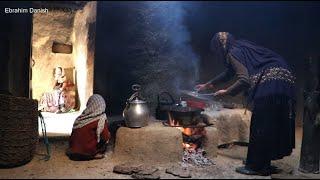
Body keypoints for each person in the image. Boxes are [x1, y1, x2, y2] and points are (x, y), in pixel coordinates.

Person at [196, 32, 296, 176]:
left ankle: (256, 166)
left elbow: (244, 80)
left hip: (271, 80)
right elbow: (229, 73)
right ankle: (263, 163)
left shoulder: (232, 52)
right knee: (269, 124)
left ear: (219, 47)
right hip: (282, 78)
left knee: (260, 124)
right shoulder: (238, 47)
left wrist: (226, 92)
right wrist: (208, 84)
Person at [66, 94, 111, 161]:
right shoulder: (100, 119)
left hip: (73, 152)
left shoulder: (80, 118)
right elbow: (105, 136)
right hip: (87, 154)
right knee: (106, 139)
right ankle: (94, 154)